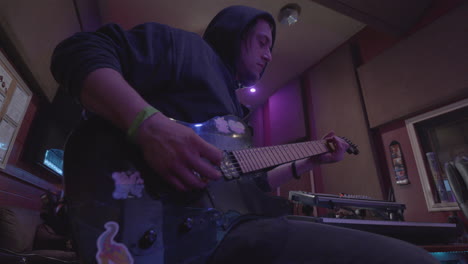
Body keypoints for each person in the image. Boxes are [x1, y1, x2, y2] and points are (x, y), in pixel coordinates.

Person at [51, 5, 438, 264]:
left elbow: (248, 185)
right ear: (234, 34)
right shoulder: (186, 49)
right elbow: (79, 51)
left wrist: (310, 159)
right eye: (263, 42)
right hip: (166, 228)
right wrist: (147, 126)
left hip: (222, 228)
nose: (269, 55)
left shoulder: (236, 115)